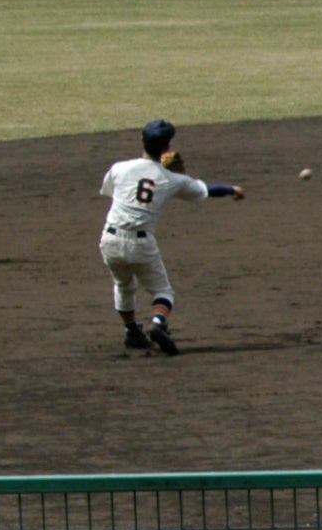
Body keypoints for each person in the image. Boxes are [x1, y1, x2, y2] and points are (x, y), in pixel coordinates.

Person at [97, 118, 242, 357]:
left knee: (123, 285)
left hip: (110, 239)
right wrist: (232, 190)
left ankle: (132, 331)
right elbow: (206, 189)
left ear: (141, 140)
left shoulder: (119, 168)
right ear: (167, 148)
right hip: (141, 244)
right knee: (163, 292)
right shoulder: (171, 179)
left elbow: (116, 192)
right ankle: (158, 322)